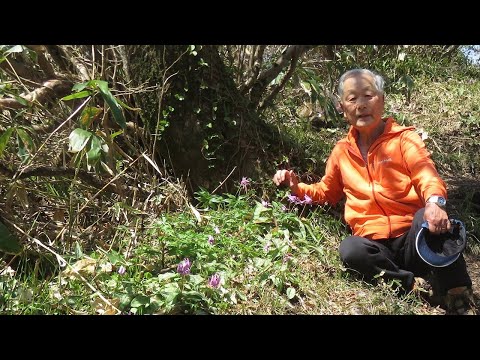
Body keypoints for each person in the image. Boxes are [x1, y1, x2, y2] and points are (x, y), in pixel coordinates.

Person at [272, 68, 475, 314]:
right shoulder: (341, 152)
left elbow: (426, 174)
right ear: (342, 107)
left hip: (414, 240)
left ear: (382, 99)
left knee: (427, 216)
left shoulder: (404, 139)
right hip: (377, 247)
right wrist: (296, 187)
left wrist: (434, 202)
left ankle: (458, 293)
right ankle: (411, 285)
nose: (361, 105)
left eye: (368, 96)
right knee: (351, 249)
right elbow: (327, 191)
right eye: (352, 98)